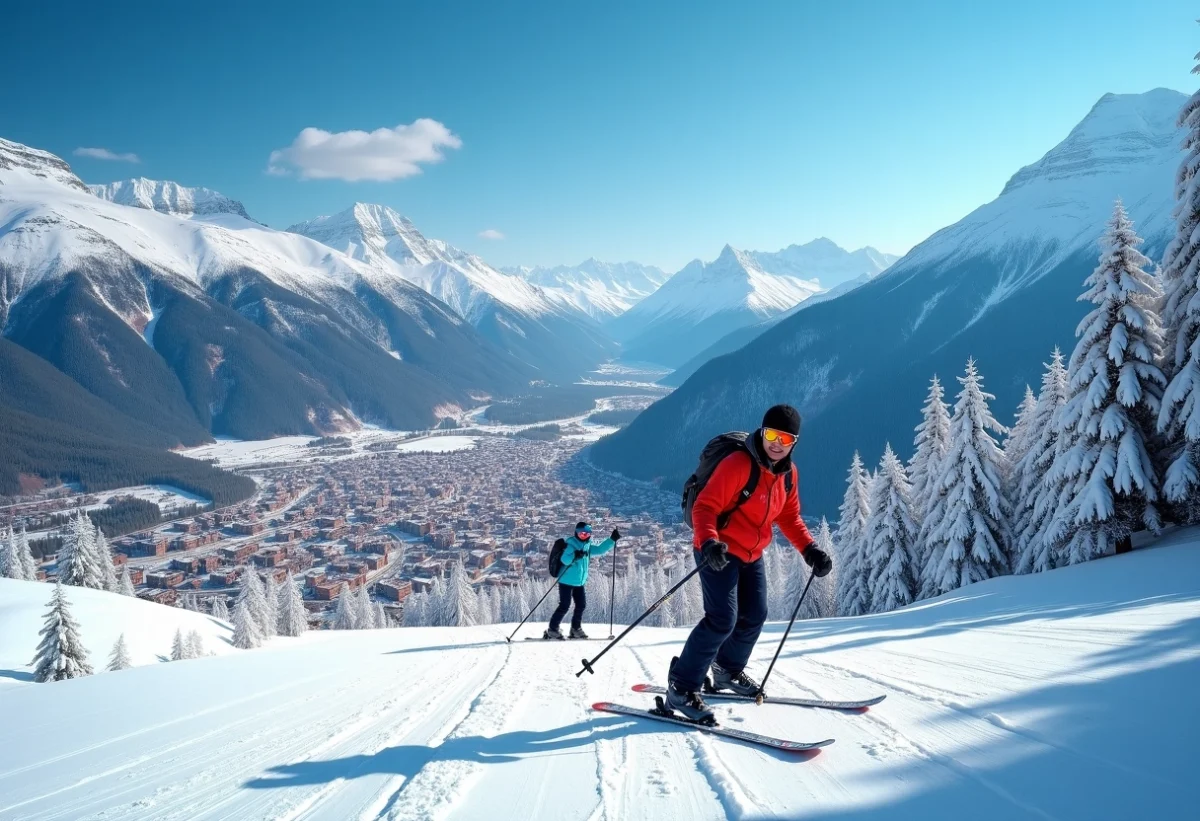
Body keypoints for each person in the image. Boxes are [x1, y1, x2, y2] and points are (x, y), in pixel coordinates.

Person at [666, 404, 833, 721]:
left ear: (794, 442)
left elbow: (788, 516)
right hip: (717, 550)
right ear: (762, 431)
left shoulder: (787, 475)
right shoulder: (737, 464)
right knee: (721, 619)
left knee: (755, 614)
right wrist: (710, 542)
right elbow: (705, 508)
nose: (777, 444)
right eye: (772, 434)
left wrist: (810, 549)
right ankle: (681, 687)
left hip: (751, 553)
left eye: (785, 438)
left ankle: (727, 670)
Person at [543, 522, 619, 639]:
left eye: (587, 534)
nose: (585, 536)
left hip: (579, 582)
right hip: (566, 581)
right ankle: (553, 629)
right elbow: (565, 560)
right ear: (576, 533)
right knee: (564, 605)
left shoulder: (587, 546)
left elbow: (599, 550)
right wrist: (575, 555)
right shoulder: (571, 544)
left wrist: (612, 540)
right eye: (582, 533)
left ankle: (575, 629)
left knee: (581, 605)